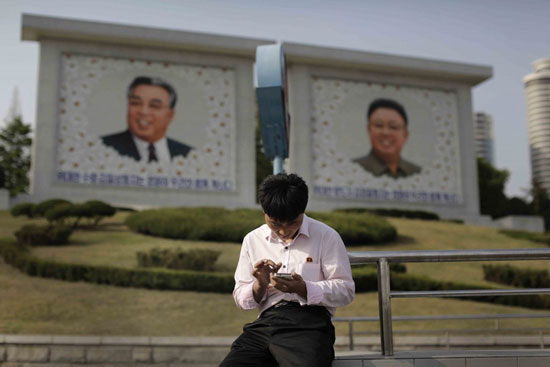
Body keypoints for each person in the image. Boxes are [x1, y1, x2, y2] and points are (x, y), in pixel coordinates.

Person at [220, 173, 355, 367]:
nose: (283, 231)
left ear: (303, 210)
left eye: (292, 223)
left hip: (309, 324)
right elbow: (241, 298)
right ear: (264, 212)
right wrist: (260, 284)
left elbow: (345, 290)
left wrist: (303, 288)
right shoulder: (253, 239)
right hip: (265, 323)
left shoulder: (326, 236)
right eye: (275, 223)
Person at [102, 76, 192, 163]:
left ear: (170, 115)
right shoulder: (103, 148)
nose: (143, 112)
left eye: (154, 106)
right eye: (136, 103)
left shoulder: (188, 155)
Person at [353, 98, 421, 178]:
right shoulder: (353, 169)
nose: (385, 132)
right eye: (378, 125)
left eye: (393, 127)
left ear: (405, 135)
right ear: (368, 130)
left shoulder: (417, 173)